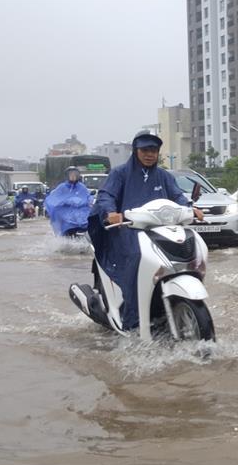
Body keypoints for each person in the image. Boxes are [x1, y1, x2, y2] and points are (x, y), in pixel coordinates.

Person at [87, 130, 204, 331]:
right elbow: (106, 195)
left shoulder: (164, 176)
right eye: (145, 150)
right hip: (128, 231)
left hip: (160, 230)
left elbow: (177, 196)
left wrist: (189, 208)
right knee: (137, 257)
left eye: (154, 150)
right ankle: (132, 320)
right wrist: (110, 212)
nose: (150, 154)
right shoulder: (120, 173)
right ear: (136, 151)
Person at [45, 166, 93, 236]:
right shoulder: (62, 187)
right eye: (71, 174)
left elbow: (88, 196)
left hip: (81, 214)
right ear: (67, 176)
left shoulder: (82, 187)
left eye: (75, 174)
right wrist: (66, 201)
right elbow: (54, 198)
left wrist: (90, 200)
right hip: (66, 214)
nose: (73, 176)